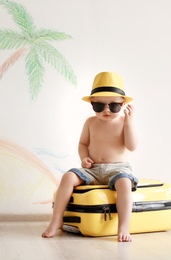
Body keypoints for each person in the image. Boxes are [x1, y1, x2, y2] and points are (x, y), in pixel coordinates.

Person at [41, 71, 138, 242]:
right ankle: (57, 219)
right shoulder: (90, 122)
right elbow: (83, 144)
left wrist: (129, 123)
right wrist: (84, 157)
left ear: (123, 105)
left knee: (125, 183)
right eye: (99, 106)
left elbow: (132, 146)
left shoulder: (124, 123)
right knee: (68, 177)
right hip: (92, 169)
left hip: (118, 168)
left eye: (113, 106)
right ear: (92, 104)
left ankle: (123, 225)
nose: (106, 110)